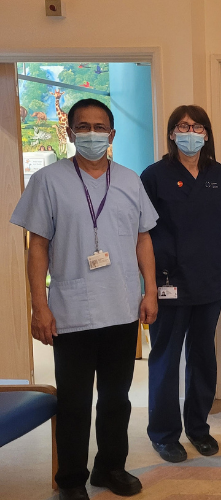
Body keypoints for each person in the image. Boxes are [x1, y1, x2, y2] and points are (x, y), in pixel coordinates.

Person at [10, 99, 159, 500]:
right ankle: (71, 480)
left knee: (116, 400)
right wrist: (38, 306)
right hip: (71, 311)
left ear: (112, 135)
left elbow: (144, 238)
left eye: (99, 127)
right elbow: (37, 245)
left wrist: (150, 292)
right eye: (83, 126)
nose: (91, 133)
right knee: (75, 402)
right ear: (71, 132)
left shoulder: (129, 181)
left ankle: (109, 468)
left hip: (122, 306)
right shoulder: (49, 181)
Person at [141, 105, 221, 463]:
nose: (190, 132)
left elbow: (219, 224)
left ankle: (198, 427)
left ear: (207, 134)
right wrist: (149, 286)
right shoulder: (154, 176)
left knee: (203, 358)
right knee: (165, 360)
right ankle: (164, 434)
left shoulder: (217, 174)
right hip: (168, 284)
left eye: (197, 127)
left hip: (209, 282)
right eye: (182, 126)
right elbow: (143, 234)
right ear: (171, 133)